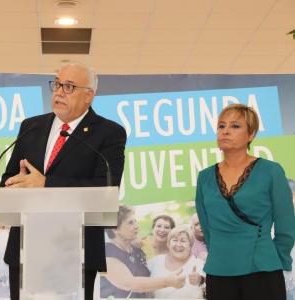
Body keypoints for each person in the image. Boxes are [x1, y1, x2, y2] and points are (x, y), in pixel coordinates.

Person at [0, 61, 127, 300]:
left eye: (69, 87)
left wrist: (46, 183)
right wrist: (14, 184)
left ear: (88, 95)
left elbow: (105, 189)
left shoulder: (109, 133)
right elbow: (8, 177)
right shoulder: (32, 126)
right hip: (27, 248)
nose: (59, 92)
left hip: (76, 251)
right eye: (57, 84)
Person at [195, 103, 295, 300]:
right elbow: (207, 229)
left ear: (251, 134)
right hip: (219, 270)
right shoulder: (204, 177)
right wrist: (219, 255)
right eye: (221, 126)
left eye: (235, 126)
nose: (225, 131)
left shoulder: (271, 171)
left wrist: (274, 259)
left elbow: (286, 227)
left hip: (262, 268)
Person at [101, 204, 186, 298]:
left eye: (135, 222)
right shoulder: (106, 252)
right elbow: (128, 284)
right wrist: (167, 282)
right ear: (114, 229)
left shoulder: (136, 249)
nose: (136, 226)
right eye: (130, 223)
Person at [147, 225, 206, 299]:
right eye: (175, 240)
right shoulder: (155, 262)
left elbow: (213, 289)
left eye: (183, 241)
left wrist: (200, 280)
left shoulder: (199, 265)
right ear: (169, 244)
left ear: (190, 245)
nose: (178, 245)